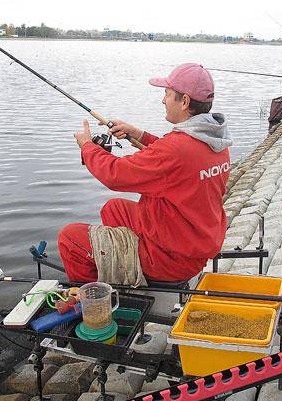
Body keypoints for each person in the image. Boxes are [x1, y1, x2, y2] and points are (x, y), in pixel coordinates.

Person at [58, 63, 233, 284]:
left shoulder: (176, 149)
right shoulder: (216, 140)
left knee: (69, 238)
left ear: (185, 101)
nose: (163, 100)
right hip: (192, 243)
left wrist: (87, 147)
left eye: (167, 94)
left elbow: (115, 174)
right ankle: (121, 269)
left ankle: (97, 300)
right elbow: (177, 161)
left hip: (170, 259)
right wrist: (139, 134)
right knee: (114, 208)